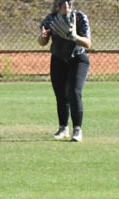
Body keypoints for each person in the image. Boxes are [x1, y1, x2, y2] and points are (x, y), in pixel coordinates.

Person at [39, 0, 91, 142]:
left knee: (74, 92)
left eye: (68, 2)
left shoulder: (79, 17)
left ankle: (77, 130)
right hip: (58, 59)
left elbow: (88, 43)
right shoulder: (51, 19)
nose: (66, 4)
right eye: (62, 2)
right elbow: (42, 42)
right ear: (57, 4)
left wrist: (74, 37)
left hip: (78, 58)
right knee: (61, 95)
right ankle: (63, 128)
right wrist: (42, 37)